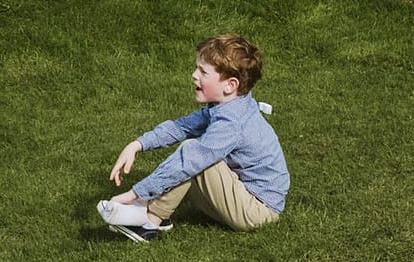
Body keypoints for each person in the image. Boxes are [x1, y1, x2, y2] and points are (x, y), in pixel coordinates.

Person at [96, 34, 288, 244]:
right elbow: (181, 127)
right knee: (192, 154)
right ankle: (152, 211)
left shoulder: (232, 122)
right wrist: (137, 145)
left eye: (203, 72)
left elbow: (191, 159)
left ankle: (150, 222)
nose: (194, 75)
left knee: (193, 154)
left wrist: (135, 193)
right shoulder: (228, 106)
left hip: (258, 211)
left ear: (230, 85)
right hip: (241, 196)